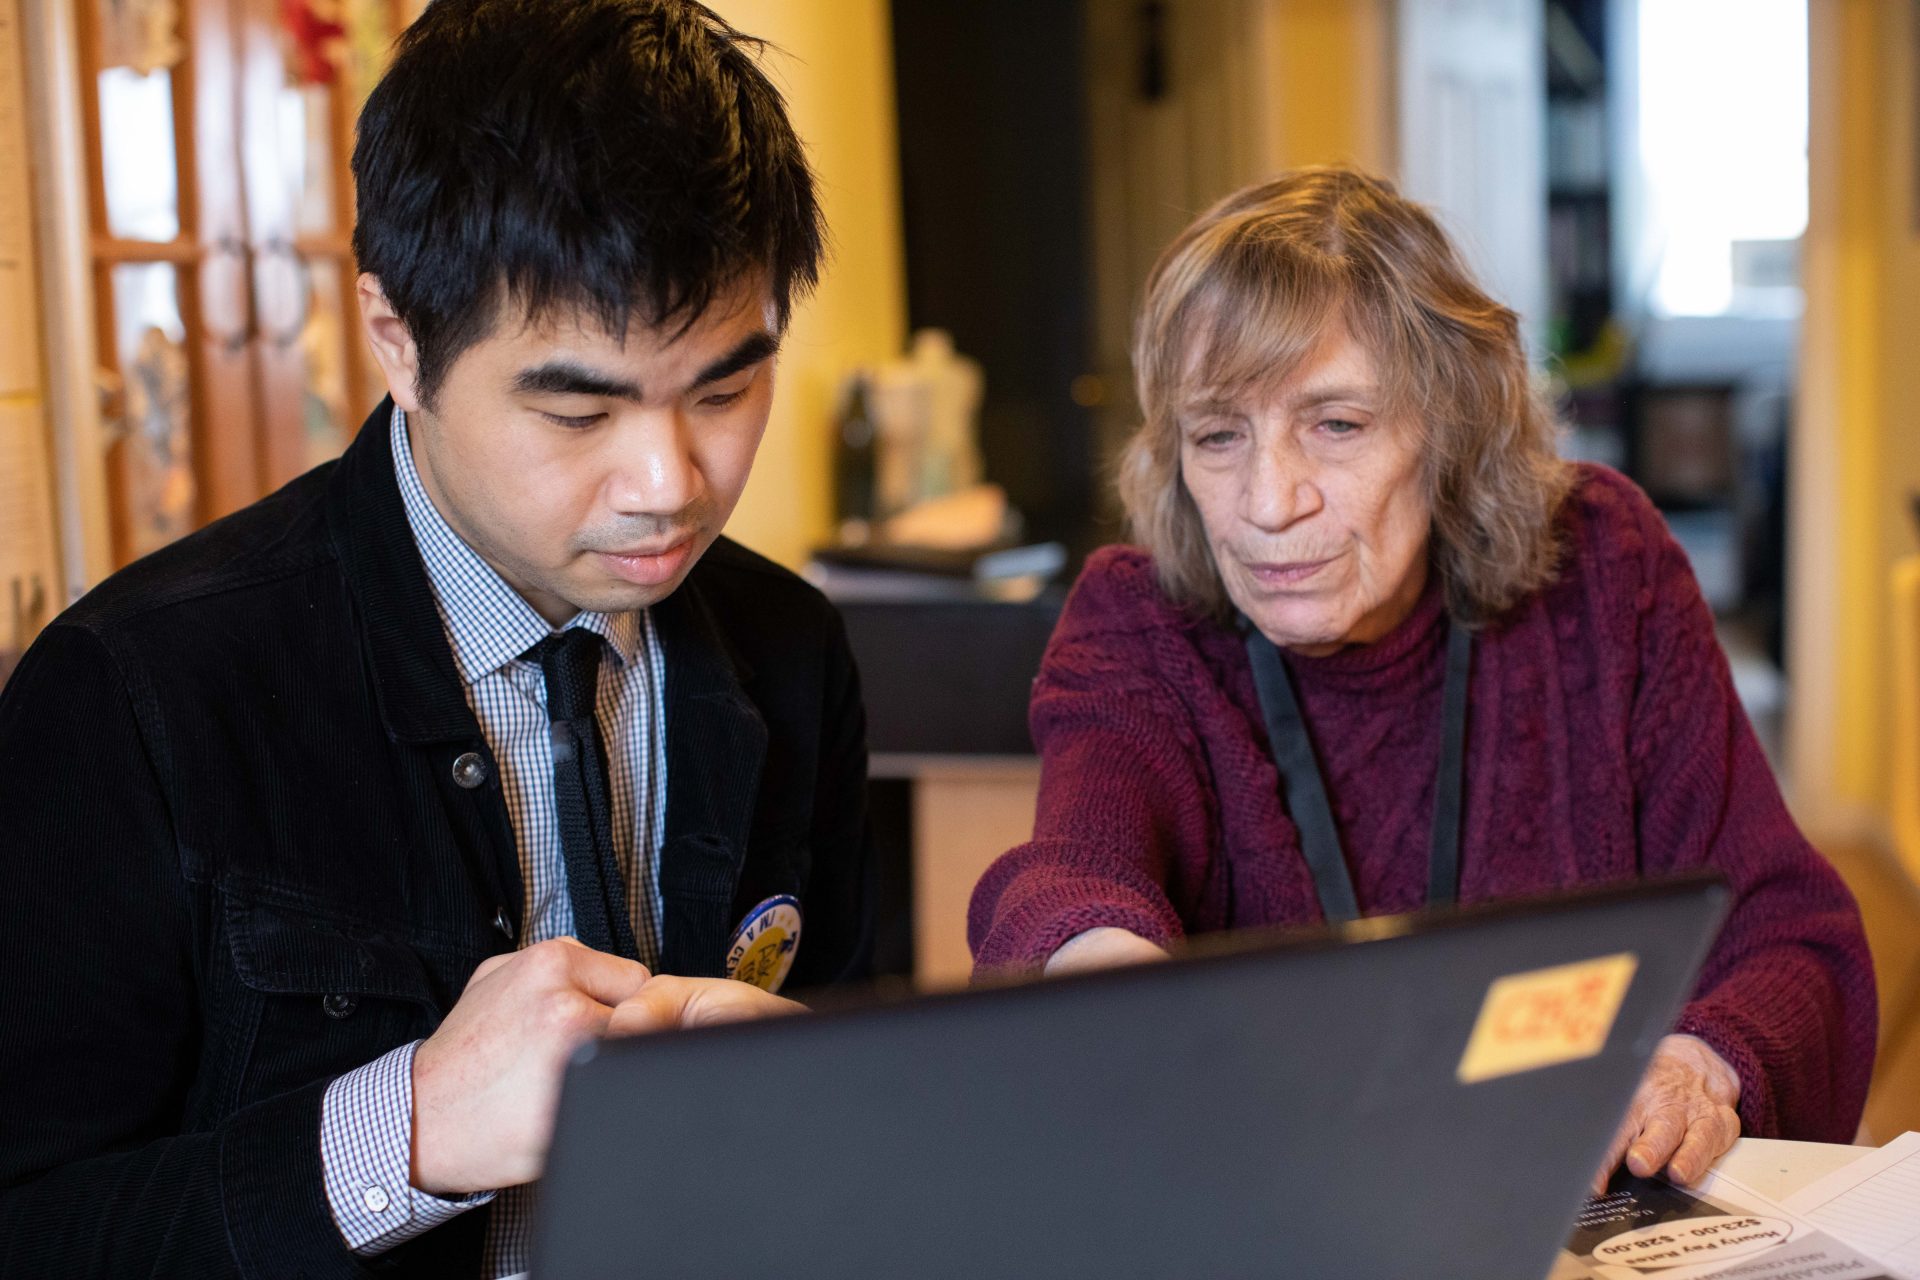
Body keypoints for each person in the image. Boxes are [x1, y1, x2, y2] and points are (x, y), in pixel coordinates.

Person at [0, 1, 872, 1275]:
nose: (669, 481)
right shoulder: (134, 695)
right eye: (579, 410)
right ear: (397, 340)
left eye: (726, 390)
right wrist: (393, 1135)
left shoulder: (788, 648)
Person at [968, 166, 1876, 1193]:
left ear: (1450, 428)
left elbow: (1789, 932)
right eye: (1219, 433)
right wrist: (1099, 967)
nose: (1268, 502)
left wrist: (1694, 1064)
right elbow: (1077, 866)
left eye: (1336, 424)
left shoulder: (1603, 567)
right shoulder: (1139, 619)